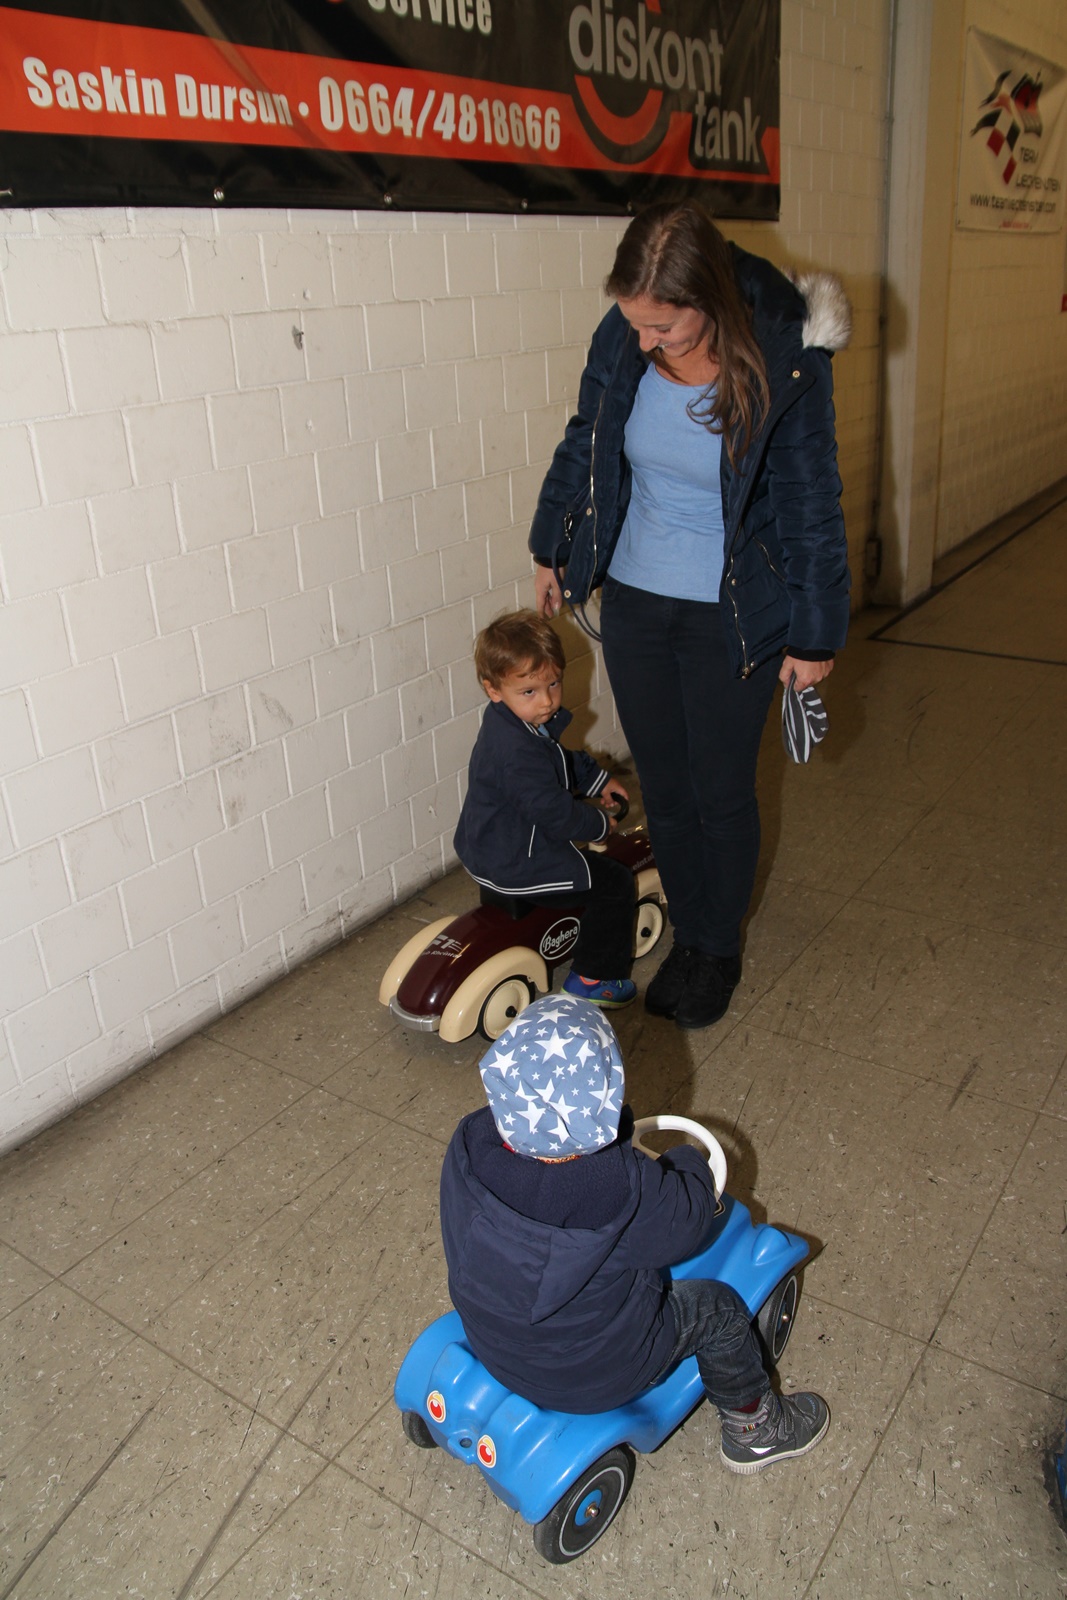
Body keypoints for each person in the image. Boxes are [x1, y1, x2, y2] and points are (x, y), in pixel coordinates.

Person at [529, 201, 851, 1030]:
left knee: (719, 791)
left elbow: (811, 502)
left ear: (707, 300)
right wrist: (552, 547)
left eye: (662, 327)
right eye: (634, 322)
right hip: (636, 599)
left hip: (733, 610)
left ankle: (715, 949)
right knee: (665, 789)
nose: (643, 341)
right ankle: (688, 933)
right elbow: (584, 440)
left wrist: (814, 632)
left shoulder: (785, 359)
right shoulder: (623, 335)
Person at [440, 992, 829, 1472]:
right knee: (721, 1311)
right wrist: (686, 1163)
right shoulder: (621, 1189)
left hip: (493, 1342)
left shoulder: (467, 1145)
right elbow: (688, 1223)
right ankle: (756, 1429)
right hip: (602, 1371)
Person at [453, 610, 637, 1008]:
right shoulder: (517, 752)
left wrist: (596, 779)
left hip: (489, 846)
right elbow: (554, 812)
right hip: (517, 860)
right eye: (530, 692)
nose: (548, 701)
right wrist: (598, 825)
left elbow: (556, 759)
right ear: (493, 689)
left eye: (553, 683)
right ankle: (594, 977)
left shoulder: (510, 722)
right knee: (615, 884)